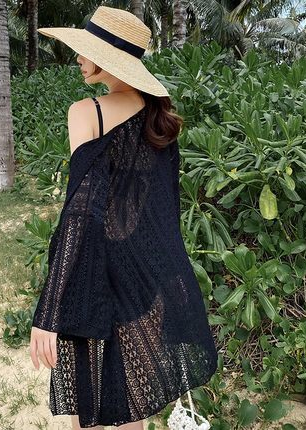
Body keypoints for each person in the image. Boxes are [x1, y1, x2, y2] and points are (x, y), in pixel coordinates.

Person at [29, 5, 218, 430]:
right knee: (132, 404)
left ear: (107, 58)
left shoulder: (87, 112)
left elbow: (81, 215)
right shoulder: (159, 119)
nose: (78, 57)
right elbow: (161, 214)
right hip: (146, 280)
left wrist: (50, 311)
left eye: (86, 49)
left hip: (97, 277)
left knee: (91, 411)